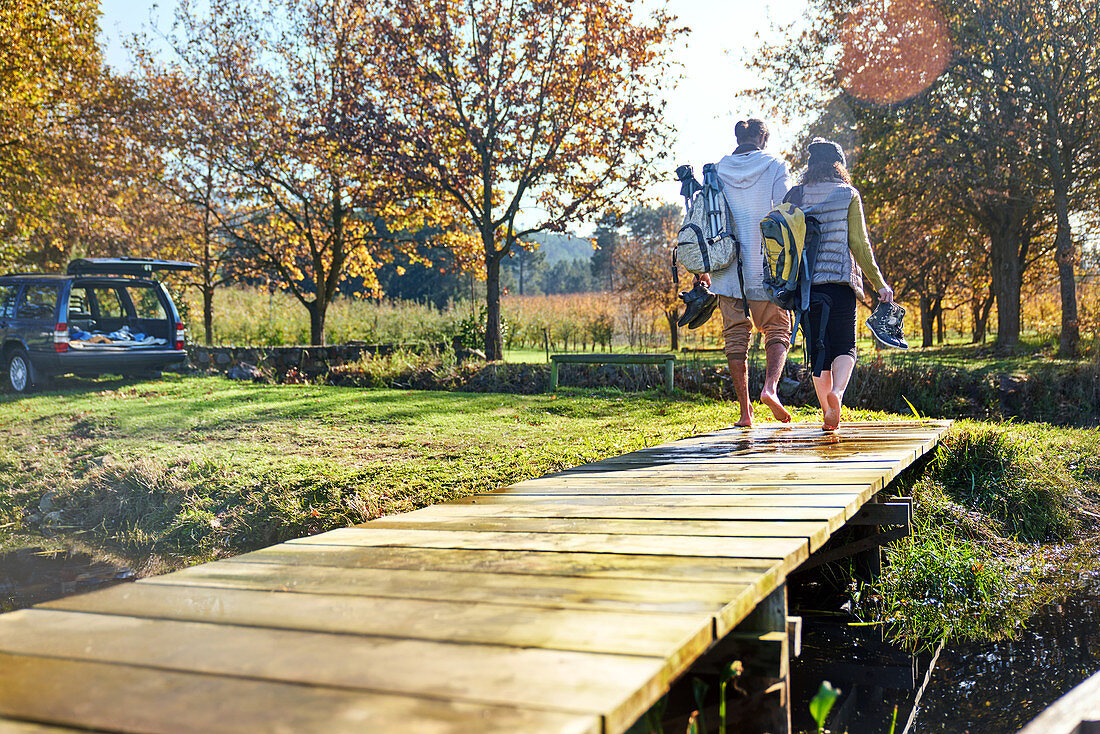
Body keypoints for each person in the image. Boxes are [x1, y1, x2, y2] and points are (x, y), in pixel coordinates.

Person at [698, 118, 793, 427]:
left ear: (737, 138)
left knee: (736, 337)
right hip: (765, 268)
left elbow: (704, 218)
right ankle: (770, 388)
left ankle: (745, 413)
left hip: (725, 270)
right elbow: (786, 209)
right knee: (778, 330)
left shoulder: (716, 170)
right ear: (762, 139)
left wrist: (701, 270)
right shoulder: (775, 165)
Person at [794, 139, 894, 431]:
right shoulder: (847, 194)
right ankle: (837, 394)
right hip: (840, 282)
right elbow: (859, 244)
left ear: (810, 165)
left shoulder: (796, 194)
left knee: (817, 351)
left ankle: (827, 412)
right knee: (845, 346)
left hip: (807, 286)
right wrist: (879, 283)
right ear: (839, 165)